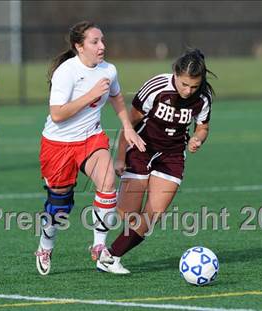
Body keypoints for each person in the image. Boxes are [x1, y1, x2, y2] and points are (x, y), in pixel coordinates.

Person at [35, 21, 146, 276]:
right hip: (58, 145)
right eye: (95, 42)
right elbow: (58, 114)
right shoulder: (66, 72)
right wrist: (91, 94)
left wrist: (127, 127)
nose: (102, 46)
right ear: (79, 46)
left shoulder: (109, 70)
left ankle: (99, 247)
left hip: (91, 139)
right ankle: (45, 245)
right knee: (59, 207)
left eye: (102, 40)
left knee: (108, 183)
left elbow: (116, 96)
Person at [98, 48, 215, 274]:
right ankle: (104, 229)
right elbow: (129, 123)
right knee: (128, 214)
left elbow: (203, 127)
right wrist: (120, 157)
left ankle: (110, 256)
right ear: (175, 73)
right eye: (184, 84)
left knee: (153, 215)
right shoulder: (156, 87)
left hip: (171, 157)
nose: (188, 91)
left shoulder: (203, 97)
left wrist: (198, 139)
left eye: (193, 86)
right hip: (141, 149)